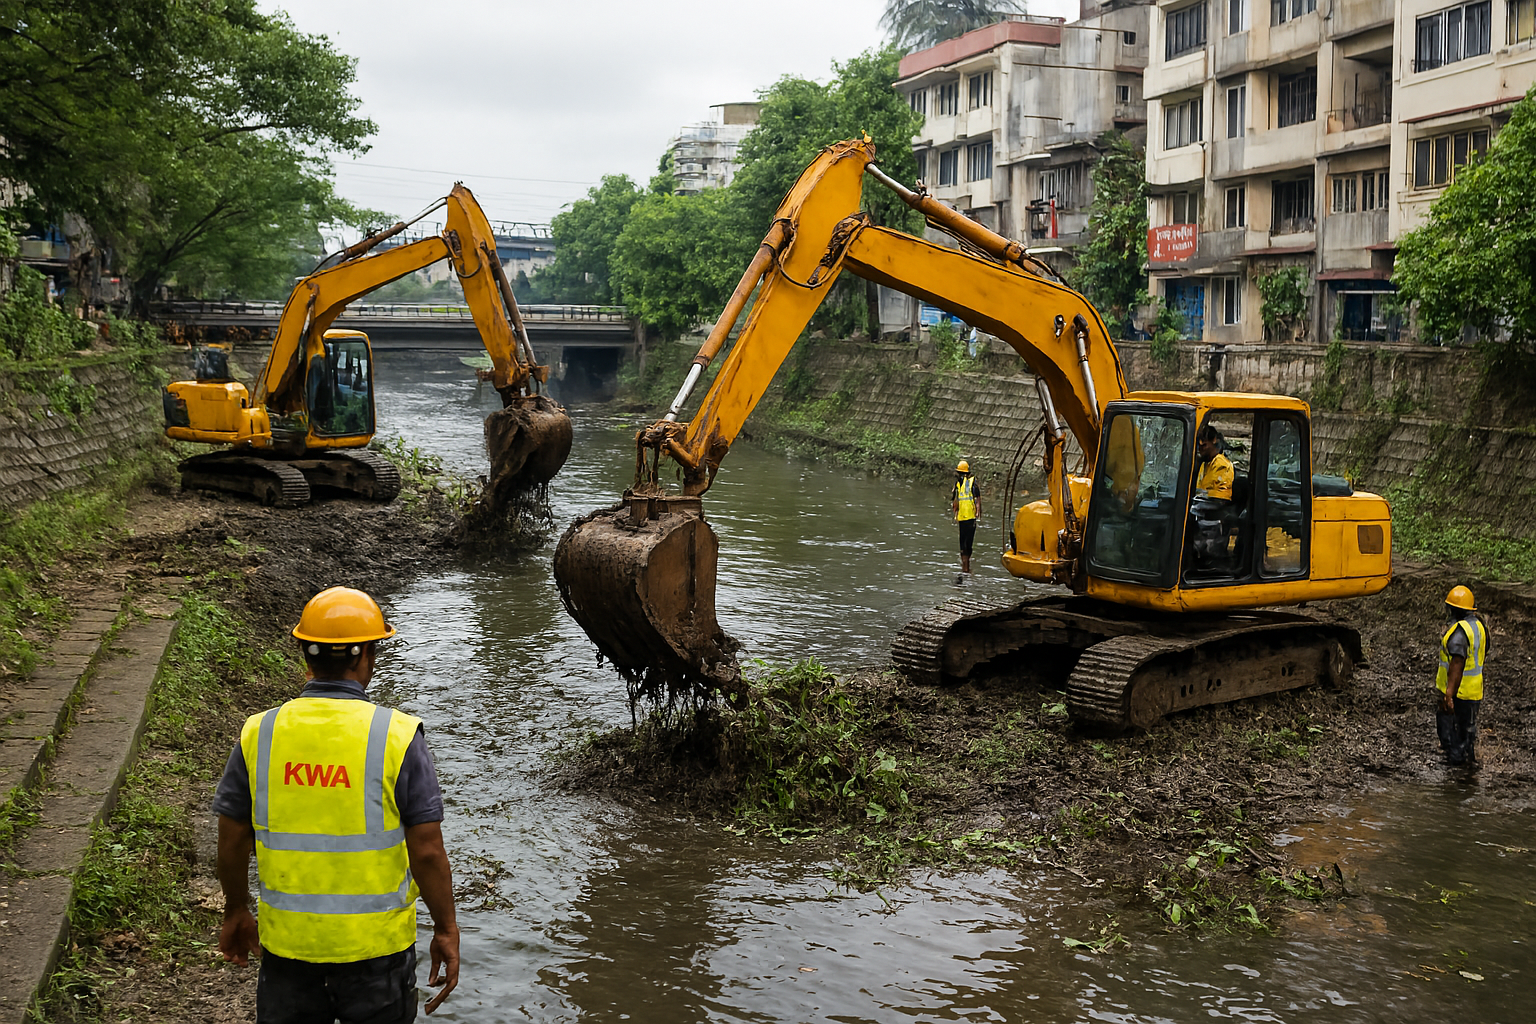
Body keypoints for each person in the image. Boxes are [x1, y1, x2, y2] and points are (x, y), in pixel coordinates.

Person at [214, 586, 461, 1021]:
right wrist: (445, 928)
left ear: (305, 656)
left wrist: (236, 908)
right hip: (377, 951)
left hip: (289, 947)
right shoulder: (397, 735)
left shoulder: (260, 732)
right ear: (366, 656)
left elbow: (232, 836)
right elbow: (425, 849)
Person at [1435, 584, 1489, 767]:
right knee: (1466, 731)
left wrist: (1449, 695)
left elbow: (1457, 663)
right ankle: (1466, 765)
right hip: (1473, 690)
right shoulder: (1479, 626)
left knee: (1454, 734)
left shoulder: (1460, 632)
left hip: (1459, 693)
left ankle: (1458, 769)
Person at [950, 460, 981, 574]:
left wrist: (978, 512)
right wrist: (955, 513)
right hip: (963, 518)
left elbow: (977, 499)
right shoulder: (958, 485)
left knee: (967, 544)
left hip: (970, 517)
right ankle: (965, 567)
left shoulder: (972, 483)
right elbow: (956, 500)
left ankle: (966, 567)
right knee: (964, 544)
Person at [1194, 424, 1234, 501]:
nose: (1201, 449)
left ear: (1214, 440)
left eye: (1204, 445)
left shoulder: (1222, 465)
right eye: (1199, 446)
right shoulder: (1205, 464)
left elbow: (1221, 497)